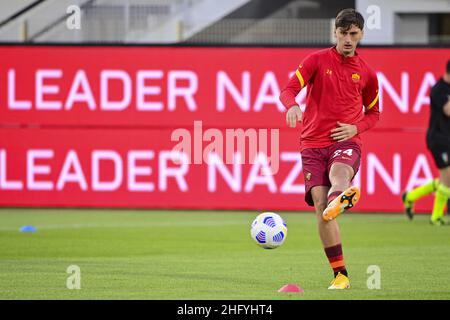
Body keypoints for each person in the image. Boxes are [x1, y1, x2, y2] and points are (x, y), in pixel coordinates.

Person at [279, 8, 380, 290]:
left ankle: (341, 195)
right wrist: (293, 106)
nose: (348, 39)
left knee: (340, 173)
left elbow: (374, 114)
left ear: (360, 34)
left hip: (345, 140)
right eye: (343, 33)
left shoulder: (368, 74)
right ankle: (341, 275)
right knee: (322, 211)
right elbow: (287, 90)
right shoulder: (315, 60)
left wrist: (356, 128)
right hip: (311, 144)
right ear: (335, 32)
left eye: (354, 34)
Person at [402, 60, 450, 225]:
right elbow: (448, 110)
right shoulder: (439, 89)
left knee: (446, 179)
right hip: (439, 139)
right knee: (447, 177)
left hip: (447, 138)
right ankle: (436, 217)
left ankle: (410, 196)